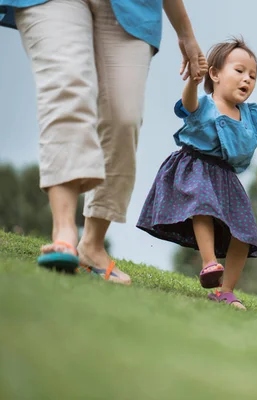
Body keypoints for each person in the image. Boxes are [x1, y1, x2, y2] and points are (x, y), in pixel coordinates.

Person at [0, 0, 207, 284]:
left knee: (123, 117)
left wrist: (186, 34)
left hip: (132, 7)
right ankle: (64, 233)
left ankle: (92, 244)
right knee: (67, 88)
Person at [136, 38, 257, 309]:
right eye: (239, 71)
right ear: (215, 74)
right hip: (193, 166)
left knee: (245, 231)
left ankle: (225, 291)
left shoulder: (251, 114)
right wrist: (193, 81)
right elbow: (188, 102)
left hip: (225, 177)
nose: (247, 79)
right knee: (202, 204)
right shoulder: (203, 104)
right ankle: (209, 263)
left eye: (252, 76)